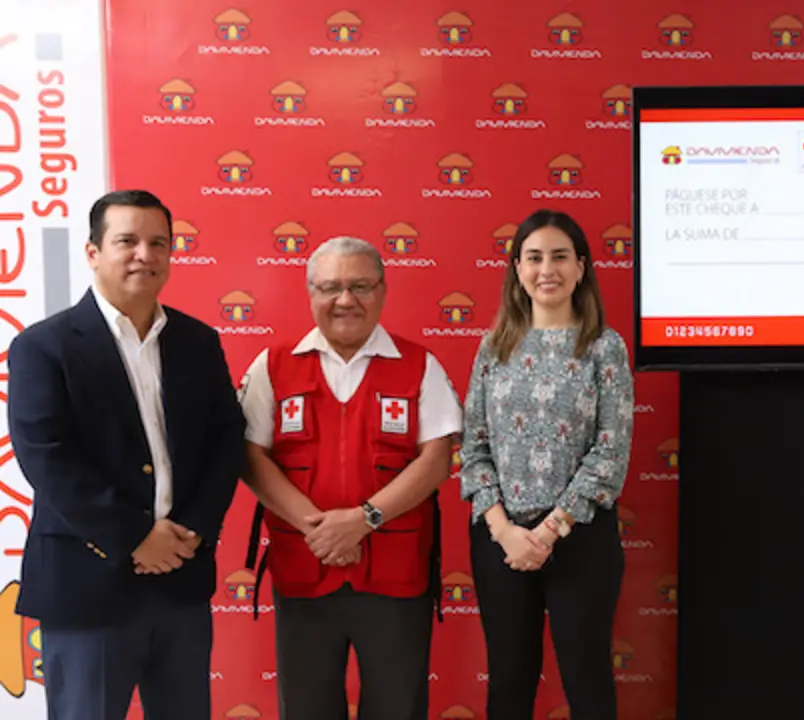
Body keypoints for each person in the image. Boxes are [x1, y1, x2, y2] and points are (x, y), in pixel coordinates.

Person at [6, 189, 246, 719]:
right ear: (93, 252)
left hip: (180, 579)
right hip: (86, 586)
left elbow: (226, 440)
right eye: (128, 241)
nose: (146, 254)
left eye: (159, 242)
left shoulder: (198, 341)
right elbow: (47, 457)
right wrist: (135, 536)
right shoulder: (44, 347)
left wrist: (191, 532)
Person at [238, 235, 461, 720]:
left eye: (361, 285)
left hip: (395, 575)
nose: (345, 300)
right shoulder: (272, 367)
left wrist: (363, 519)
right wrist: (319, 529)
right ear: (310, 293)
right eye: (330, 287)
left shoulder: (420, 365)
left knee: (397, 707)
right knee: (306, 708)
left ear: (383, 290)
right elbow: (251, 457)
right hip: (304, 567)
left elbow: (437, 459)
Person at [459, 209, 634, 720]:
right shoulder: (493, 348)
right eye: (533, 257)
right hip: (501, 540)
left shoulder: (605, 347)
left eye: (560, 256)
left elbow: (610, 452)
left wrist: (549, 531)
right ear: (517, 268)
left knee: (588, 683)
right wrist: (505, 530)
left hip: (580, 537)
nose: (546, 269)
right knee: (510, 682)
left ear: (581, 267)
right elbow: (474, 448)